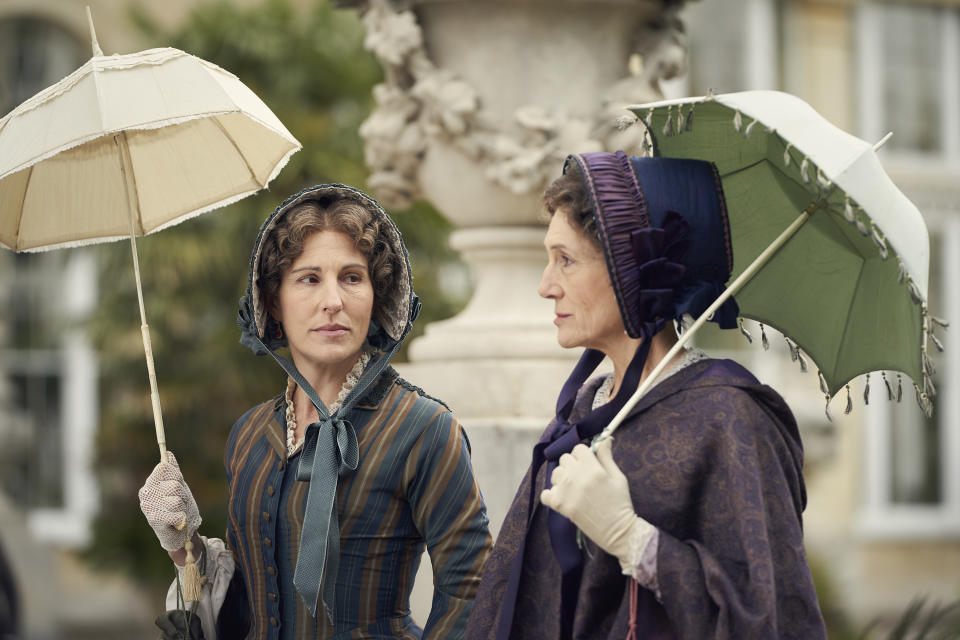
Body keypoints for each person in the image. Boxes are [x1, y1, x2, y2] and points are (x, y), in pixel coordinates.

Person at [467, 152, 826, 639]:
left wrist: (633, 540)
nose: (545, 286)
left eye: (566, 261)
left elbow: (772, 618)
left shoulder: (731, 419)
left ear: (628, 270)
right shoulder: (581, 414)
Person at [138, 184, 493, 639]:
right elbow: (247, 602)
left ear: (376, 296)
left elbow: (473, 590)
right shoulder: (250, 434)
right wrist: (184, 548)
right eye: (309, 279)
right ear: (273, 303)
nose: (333, 301)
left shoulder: (423, 429)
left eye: (351, 277)